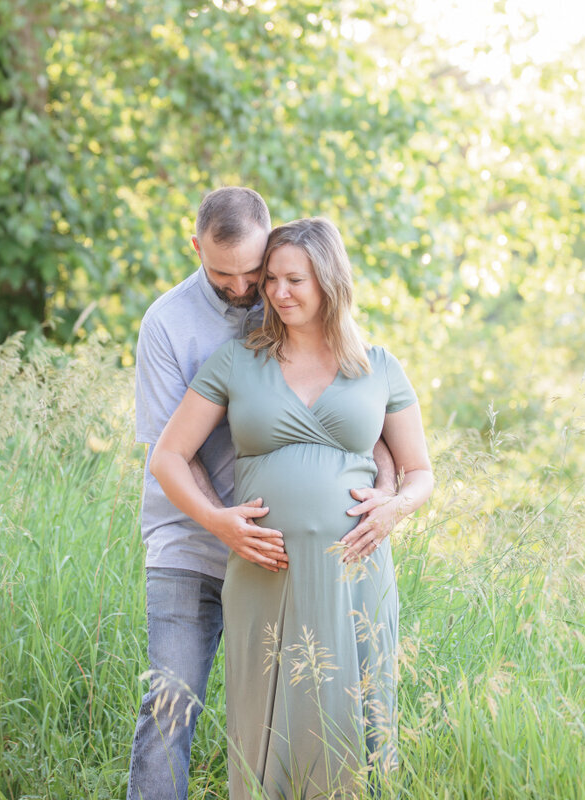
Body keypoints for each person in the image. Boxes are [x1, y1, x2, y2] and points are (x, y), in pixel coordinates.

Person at [129, 191, 402, 800]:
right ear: (196, 248)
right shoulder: (168, 324)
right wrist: (221, 523)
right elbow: (167, 452)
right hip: (193, 540)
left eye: (254, 271)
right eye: (223, 273)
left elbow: (355, 417)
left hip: (292, 559)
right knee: (171, 698)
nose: (244, 286)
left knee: (319, 709)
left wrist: (385, 487)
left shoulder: (282, 300)